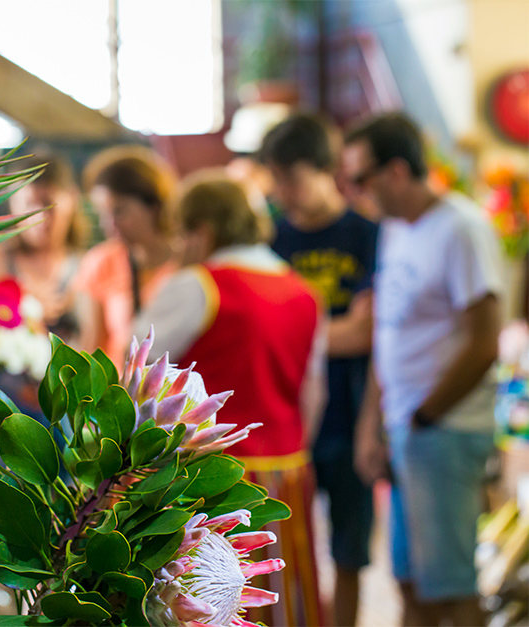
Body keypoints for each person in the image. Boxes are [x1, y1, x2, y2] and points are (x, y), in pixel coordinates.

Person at [134, 174, 327, 627]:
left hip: (213, 480)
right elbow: (314, 395)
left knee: (207, 603)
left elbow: (134, 370)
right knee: (286, 599)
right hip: (290, 469)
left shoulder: (200, 285)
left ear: (201, 230)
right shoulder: (304, 292)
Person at [345, 113, 504, 627]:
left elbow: (485, 341)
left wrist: (425, 416)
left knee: (450, 588)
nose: (358, 192)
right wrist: (373, 424)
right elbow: (388, 335)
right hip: (406, 425)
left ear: (395, 170)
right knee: (411, 582)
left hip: (444, 429)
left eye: (361, 179)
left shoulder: (461, 227)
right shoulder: (395, 230)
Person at [260, 113, 379, 627]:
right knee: (284, 546)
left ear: (326, 169)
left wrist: (291, 334)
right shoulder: (272, 241)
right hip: (287, 419)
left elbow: (365, 331)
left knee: (349, 551)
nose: (282, 191)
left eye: (292, 177)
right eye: (276, 178)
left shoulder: (366, 235)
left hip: (352, 412)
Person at [0, 153, 88, 345]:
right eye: (29, 206)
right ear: (13, 205)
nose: (39, 217)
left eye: (49, 204)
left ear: (71, 199)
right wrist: (24, 310)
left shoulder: (87, 267)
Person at [74, 145, 178, 367]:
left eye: (119, 211)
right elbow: (92, 348)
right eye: (103, 214)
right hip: (119, 393)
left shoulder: (187, 263)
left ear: (154, 205)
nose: (109, 224)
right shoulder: (101, 261)